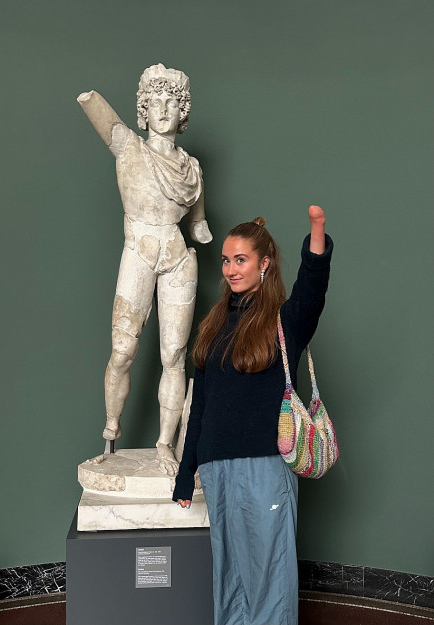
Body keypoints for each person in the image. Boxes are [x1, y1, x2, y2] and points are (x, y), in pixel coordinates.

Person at [173, 205, 333, 625]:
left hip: (265, 466)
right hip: (217, 467)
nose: (230, 269)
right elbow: (200, 405)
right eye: (226, 260)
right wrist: (186, 471)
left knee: (268, 576)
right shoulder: (213, 325)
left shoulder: (285, 320)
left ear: (264, 264)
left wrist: (317, 232)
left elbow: (312, 287)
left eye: (240, 260)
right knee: (230, 576)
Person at [77, 64, 212, 475]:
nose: (164, 109)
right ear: (144, 110)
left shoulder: (192, 169)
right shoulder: (129, 149)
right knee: (122, 351)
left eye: (172, 101)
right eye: (155, 102)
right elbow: (98, 112)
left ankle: (164, 445)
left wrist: (202, 230)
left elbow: (199, 225)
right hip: (139, 249)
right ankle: (110, 434)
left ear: (183, 111)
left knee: (174, 355)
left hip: (177, 257)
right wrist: (89, 98)